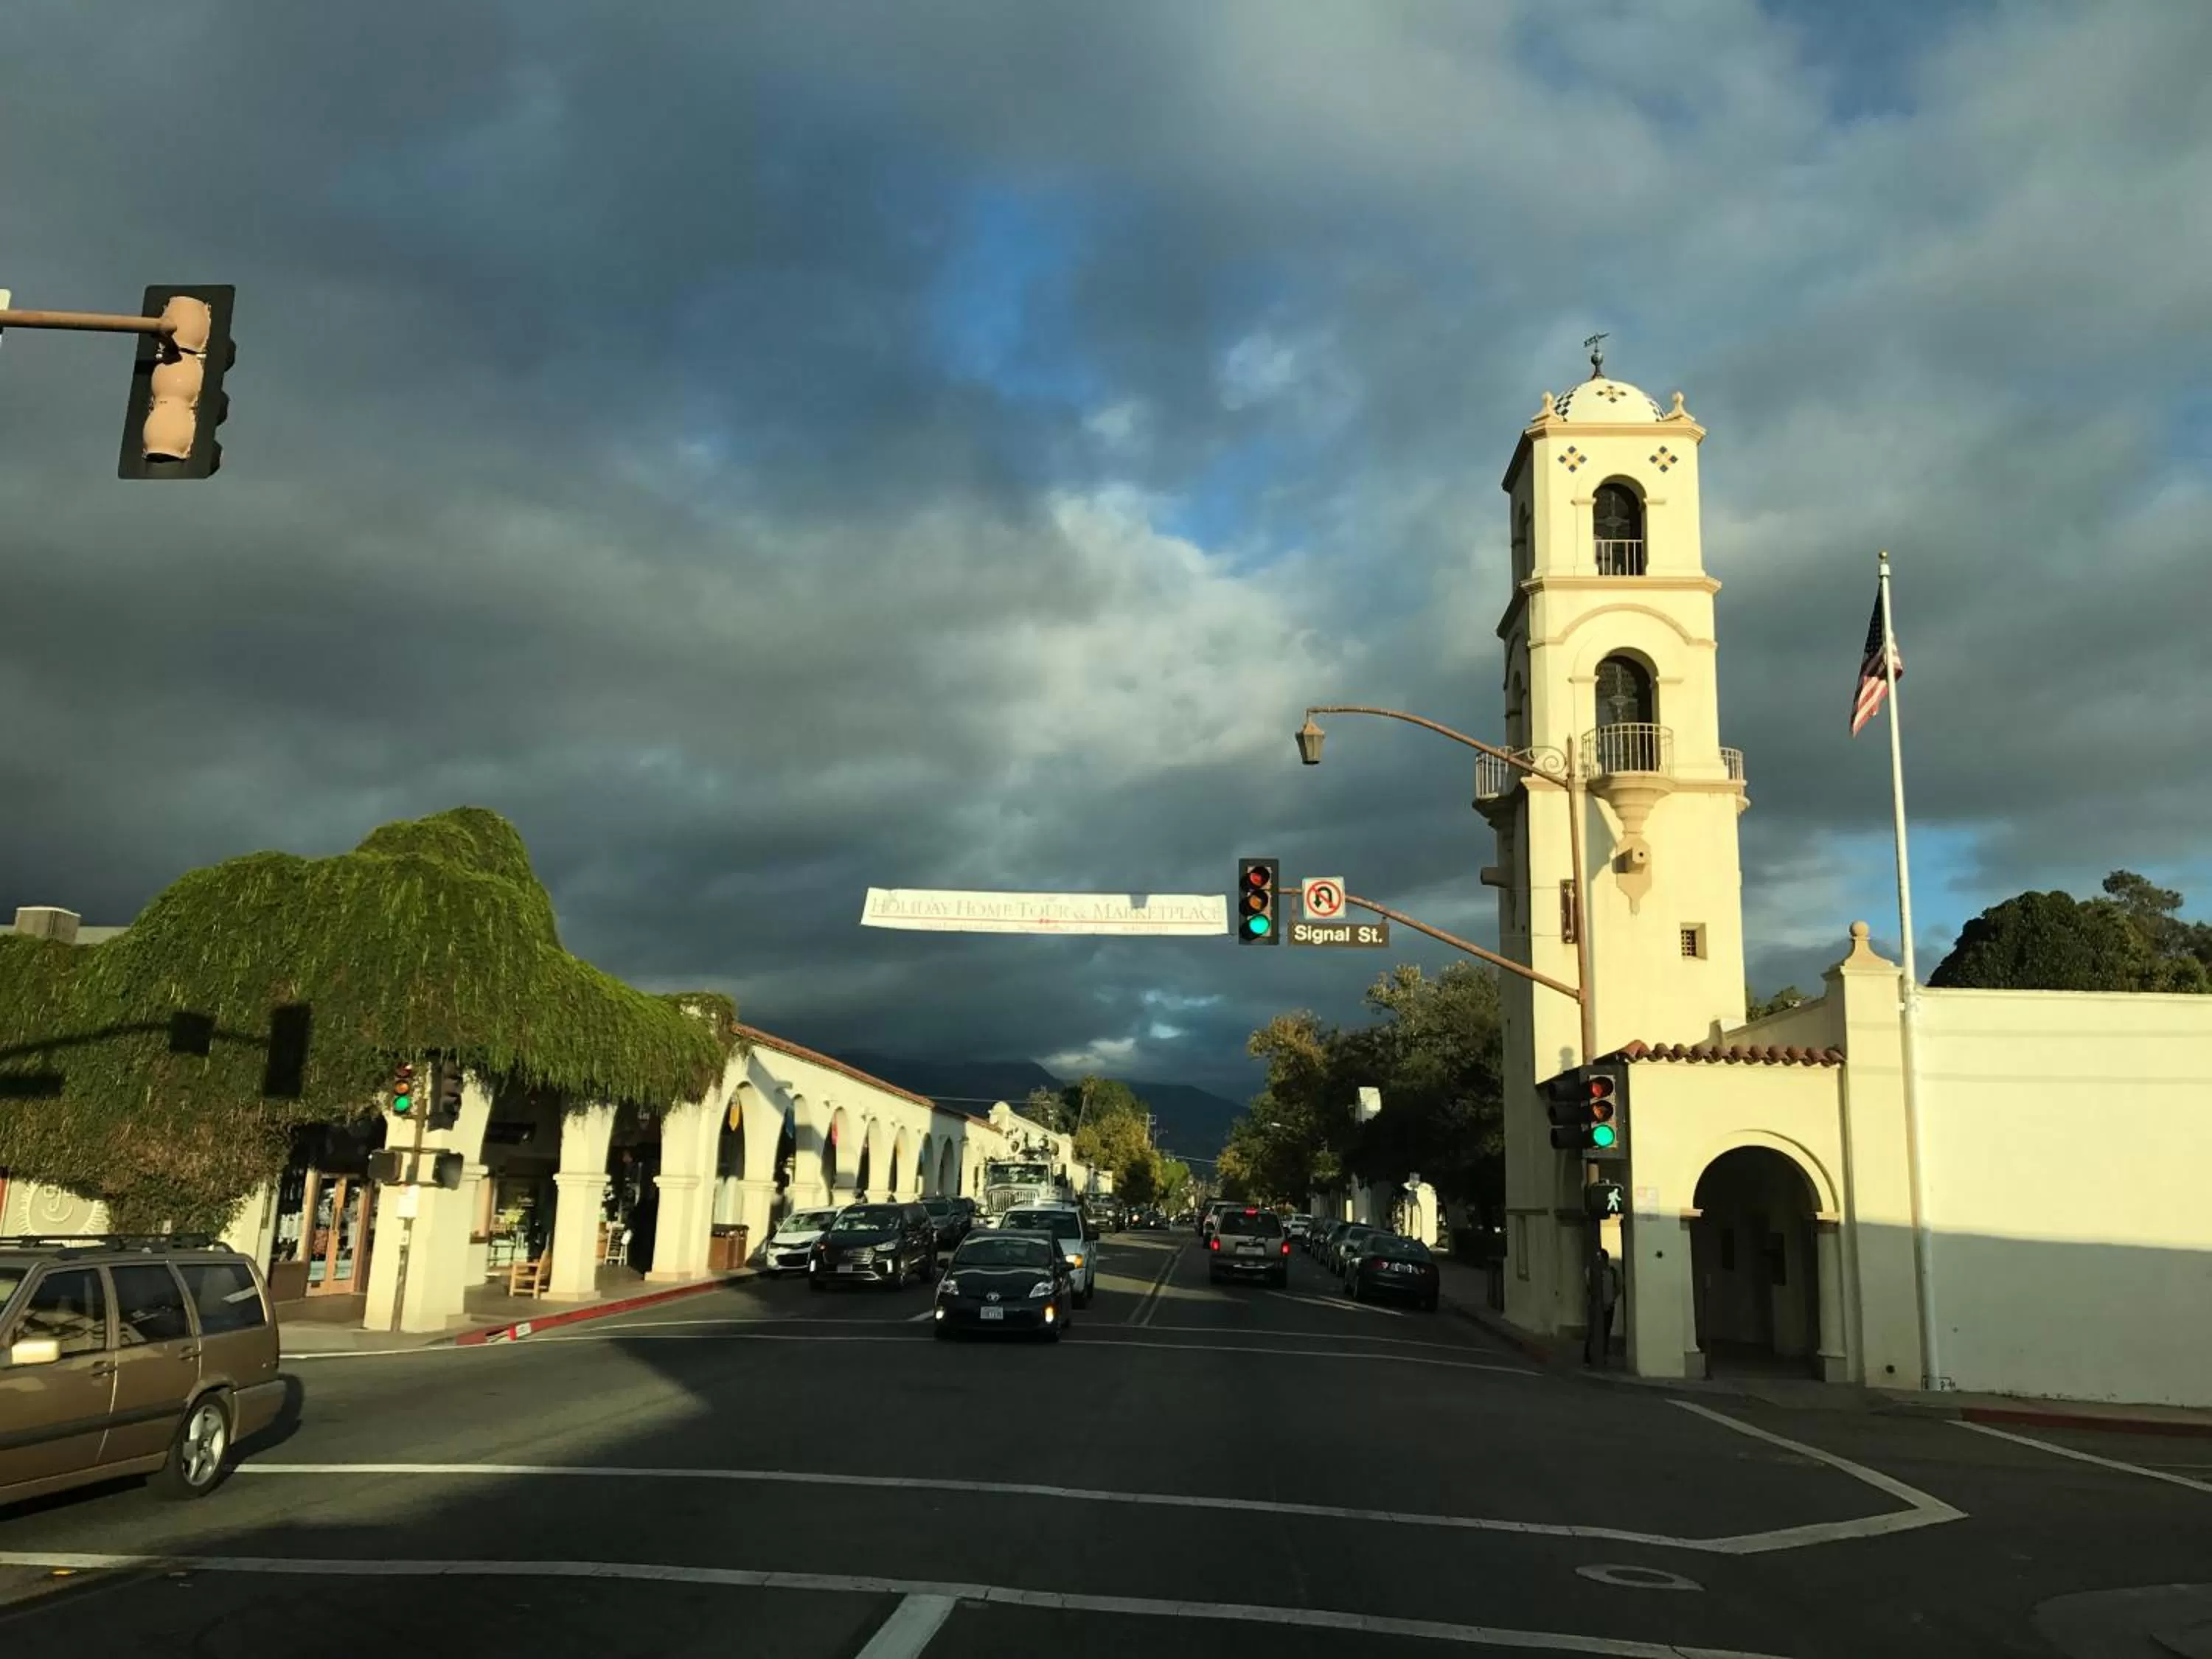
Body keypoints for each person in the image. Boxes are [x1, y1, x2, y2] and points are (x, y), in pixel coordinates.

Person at [1585, 1247, 1622, 1366]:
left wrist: (1611, 1300)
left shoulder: (1613, 1272)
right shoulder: (1591, 1271)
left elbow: (1618, 1288)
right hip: (1596, 1306)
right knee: (1593, 1331)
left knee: (1606, 1332)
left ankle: (1603, 1355)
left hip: (1609, 1306)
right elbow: (1588, 1286)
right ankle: (1588, 1357)